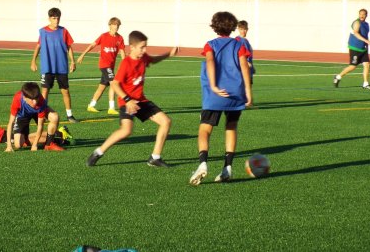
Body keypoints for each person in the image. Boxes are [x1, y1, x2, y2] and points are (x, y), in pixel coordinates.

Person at [86, 31, 178, 168]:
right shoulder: (126, 63)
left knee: (166, 121)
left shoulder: (143, 58)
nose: (145, 50)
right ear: (132, 47)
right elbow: (115, 84)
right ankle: (98, 152)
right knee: (126, 131)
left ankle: (155, 158)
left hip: (141, 101)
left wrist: (168, 54)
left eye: (146, 46)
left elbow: (153, 59)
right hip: (127, 102)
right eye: (142, 47)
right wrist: (128, 100)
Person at [189, 11, 253, 186]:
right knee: (231, 127)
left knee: (204, 129)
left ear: (214, 26)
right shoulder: (239, 45)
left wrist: (214, 86)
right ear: (233, 27)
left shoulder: (210, 45)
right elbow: (244, 67)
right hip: (235, 93)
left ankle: (203, 164)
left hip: (215, 95)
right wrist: (248, 91)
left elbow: (210, 62)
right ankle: (228, 167)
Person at [30, 7, 78, 123]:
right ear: (49, 18)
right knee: (45, 92)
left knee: (65, 91)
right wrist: (33, 61)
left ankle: (70, 115)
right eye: (54, 18)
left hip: (61, 67)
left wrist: (72, 61)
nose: (56, 20)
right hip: (47, 67)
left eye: (58, 18)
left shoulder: (64, 31)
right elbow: (38, 46)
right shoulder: (43, 31)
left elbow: (69, 47)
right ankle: (41, 114)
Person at [77, 17, 126, 115]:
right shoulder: (104, 36)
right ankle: (111, 108)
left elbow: (122, 52)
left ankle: (91, 105)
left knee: (102, 87)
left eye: (118, 25)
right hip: (104, 65)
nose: (116, 27)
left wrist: (125, 65)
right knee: (114, 83)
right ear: (110, 25)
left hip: (111, 67)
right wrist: (82, 54)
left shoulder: (120, 38)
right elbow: (92, 45)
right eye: (114, 25)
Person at [5, 81, 65, 152]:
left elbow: (40, 126)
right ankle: (56, 134)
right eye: (32, 99)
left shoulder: (41, 101)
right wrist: (9, 145)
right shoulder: (17, 99)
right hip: (22, 115)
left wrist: (35, 144)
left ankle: (49, 144)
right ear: (24, 97)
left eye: (36, 98)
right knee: (17, 145)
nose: (35, 102)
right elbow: (11, 123)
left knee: (55, 117)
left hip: (37, 113)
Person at [333, 9, 370, 89]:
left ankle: (365, 83)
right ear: (358, 14)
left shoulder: (367, 24)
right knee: (353, 66)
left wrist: (366, 44)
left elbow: (365, 35)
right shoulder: (356, 23)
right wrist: (366, 41)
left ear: (366, 15)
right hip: (355, 48)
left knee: (367, 64)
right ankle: (338, 77)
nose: (362, 16)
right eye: (360, 14)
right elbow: (356, 33)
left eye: (363, 14)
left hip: (363, 49)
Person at [235, 20, 255, 84]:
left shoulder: (246, 40)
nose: (243, 31)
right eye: (241, 29)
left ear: (247, 29)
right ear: (238, 29)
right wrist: (246, 62)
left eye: (245, 29)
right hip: (242, 70)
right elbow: (236, 54)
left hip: (248, 70)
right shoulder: (237, 40)